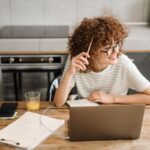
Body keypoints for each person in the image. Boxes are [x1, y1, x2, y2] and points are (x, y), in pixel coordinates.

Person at [54, 16, 150, 107]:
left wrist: (112, 99)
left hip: (117, 116)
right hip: (86, 115)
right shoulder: (77, 62)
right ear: (91, 51)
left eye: (116, 44)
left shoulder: (123, 64)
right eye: (108, 48)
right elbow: (58, 103)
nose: (116, 51)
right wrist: (69, 73)